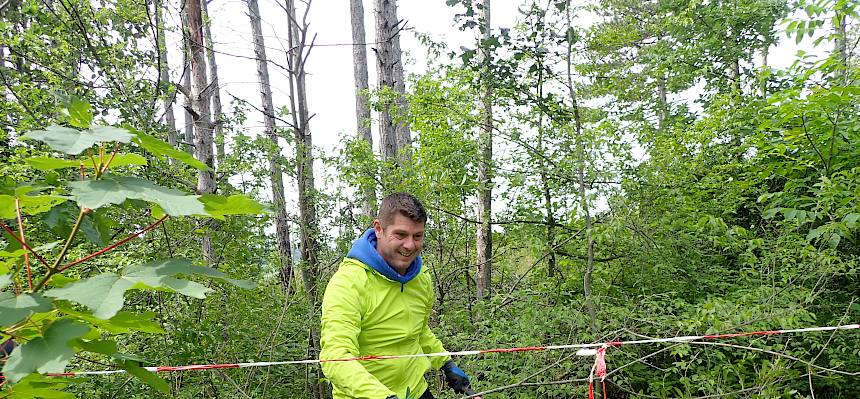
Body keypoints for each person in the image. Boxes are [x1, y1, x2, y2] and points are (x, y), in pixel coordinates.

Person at [320, 193, 473, 399]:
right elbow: (336, 358)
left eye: (417, 236)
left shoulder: (421, 278)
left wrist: (446, 363)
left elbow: (419, 331)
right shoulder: (348, 283)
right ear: (379, 229)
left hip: (415, 391)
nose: (410, 245)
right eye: (400, 235)